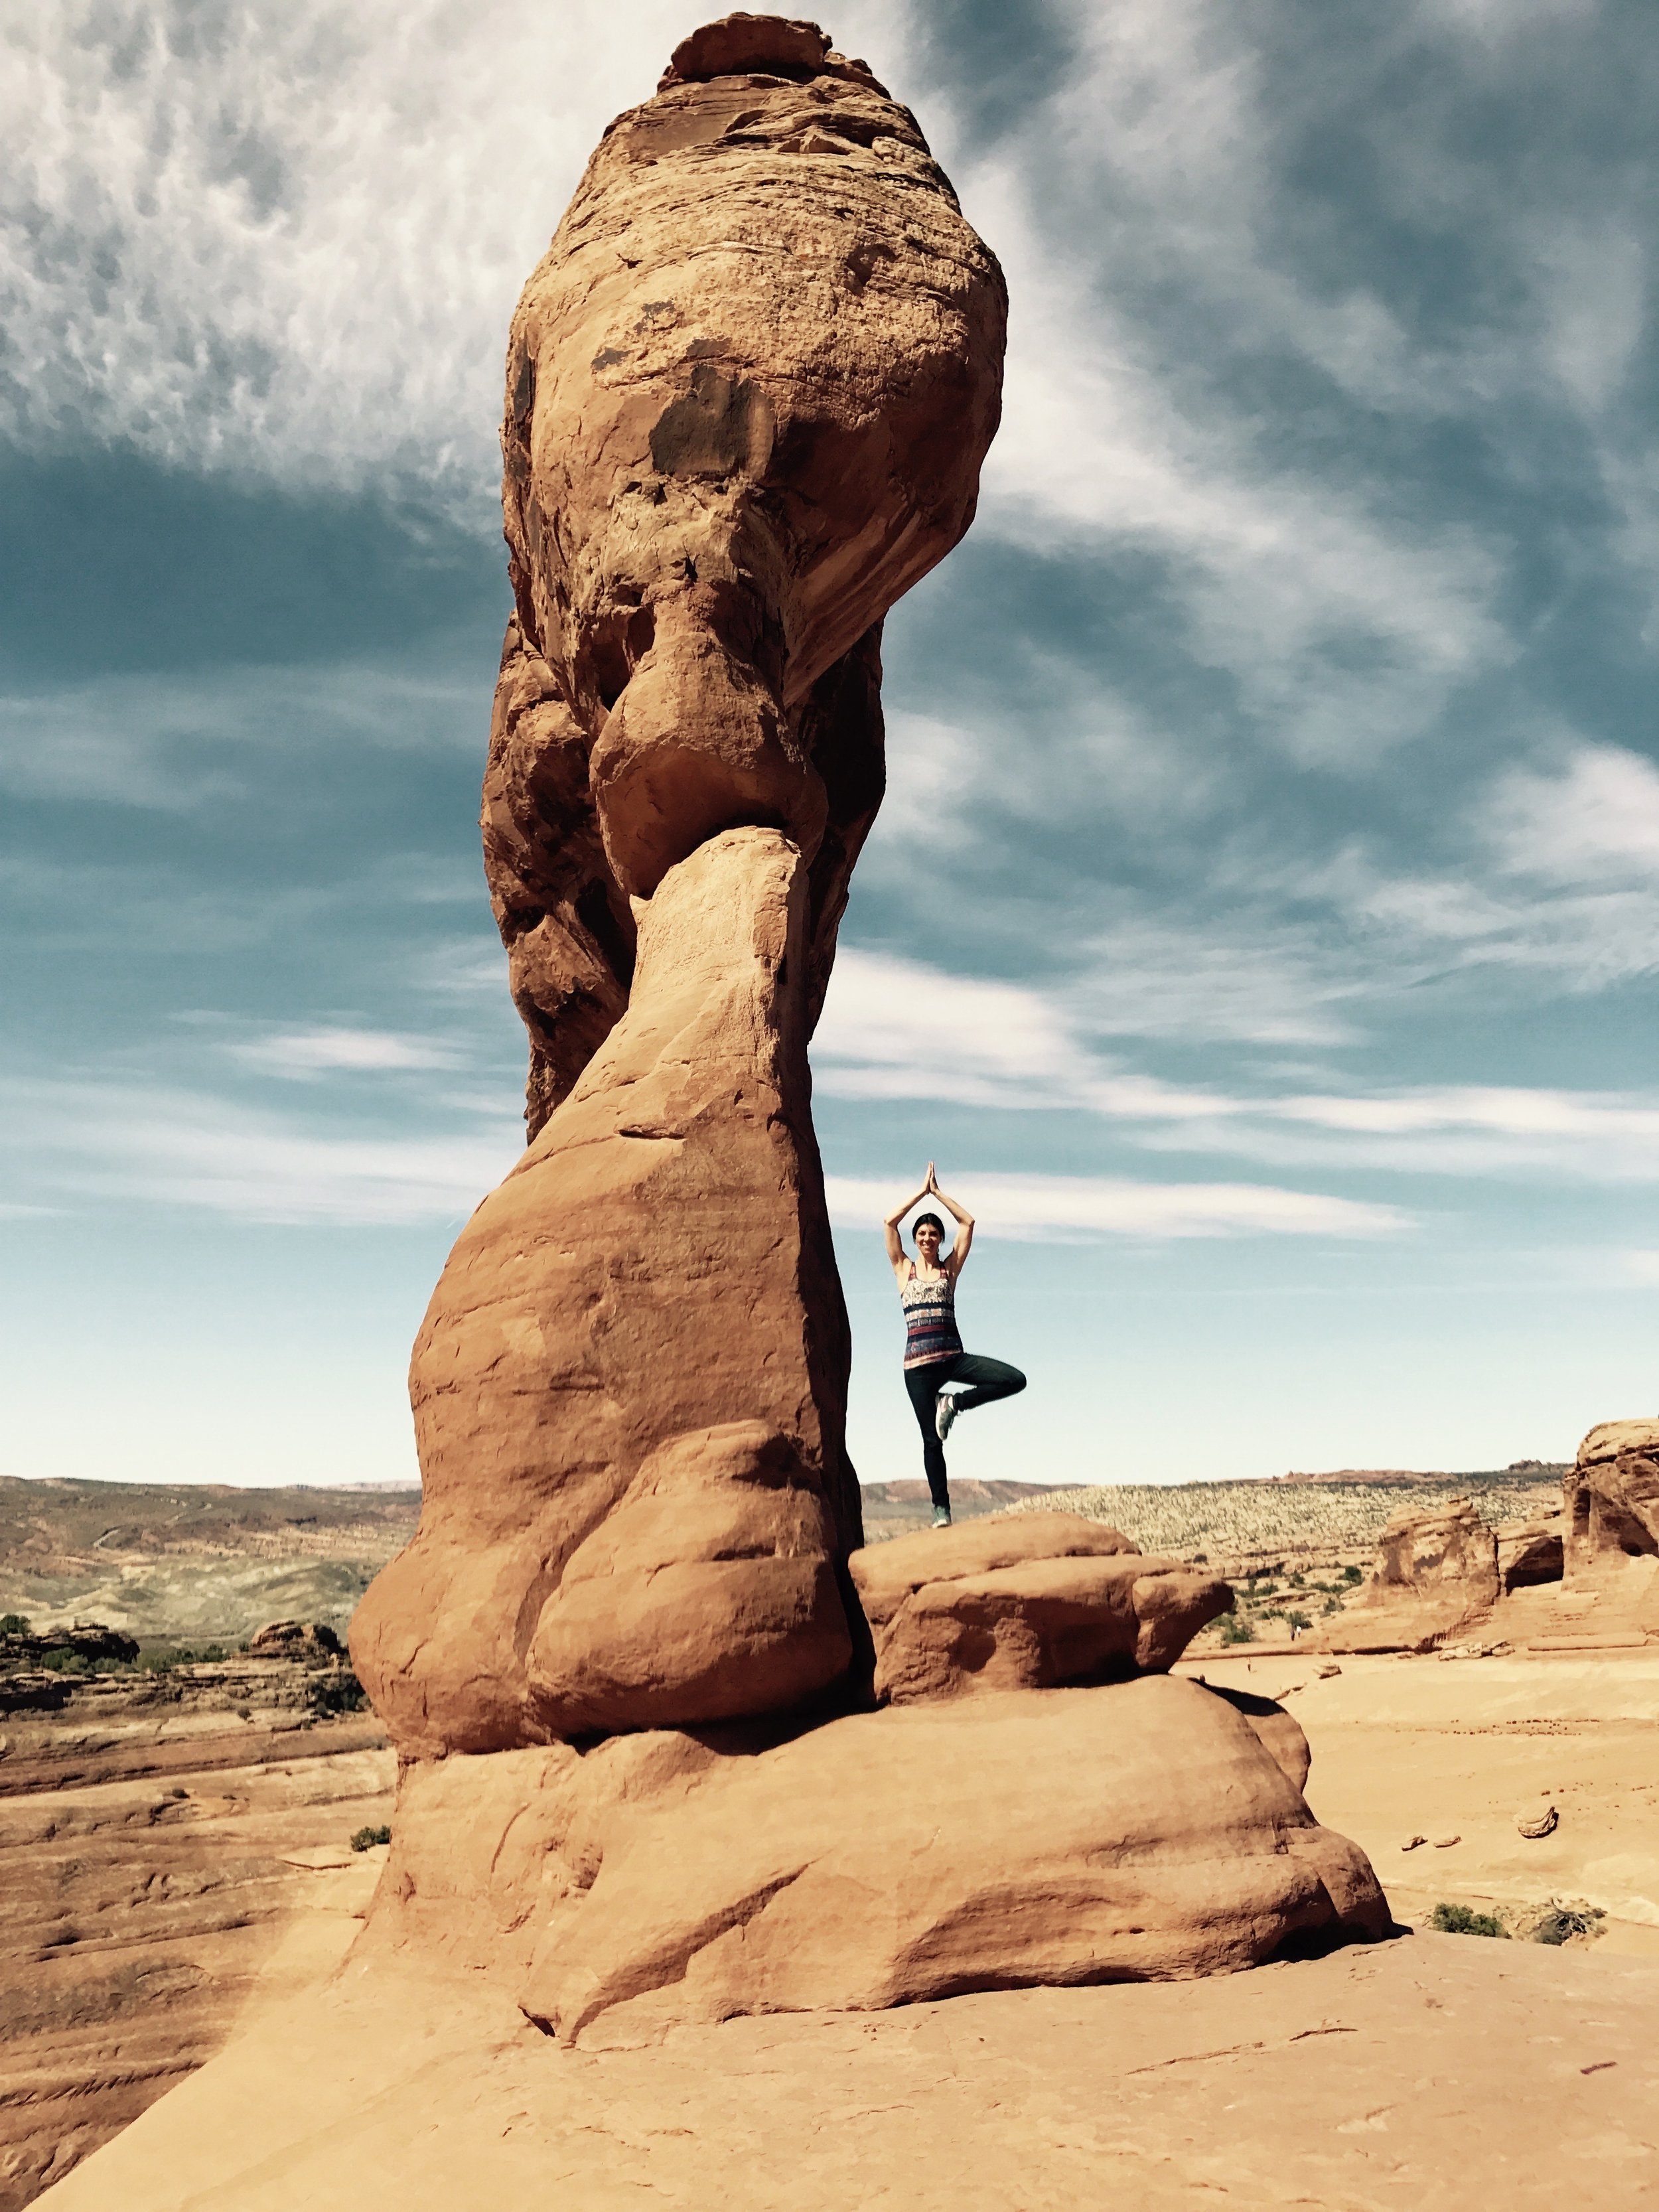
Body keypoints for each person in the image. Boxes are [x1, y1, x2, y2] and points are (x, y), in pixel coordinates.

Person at [883, 1163, 1027, 1527]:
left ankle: (954, 1403)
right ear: (915, 1239)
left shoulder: (951, 1270)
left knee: (1013, 1379)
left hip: (953, 1359)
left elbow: (969, 1223)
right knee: (932, 1442)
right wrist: (920, 1193)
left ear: (940, 1240)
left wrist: (939, 1194)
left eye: (934, 1234)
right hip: (917, 1370)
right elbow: (888, 1223)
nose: (928, 1238)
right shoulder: (904, 1270)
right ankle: (941, 1511)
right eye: (922, 1233)